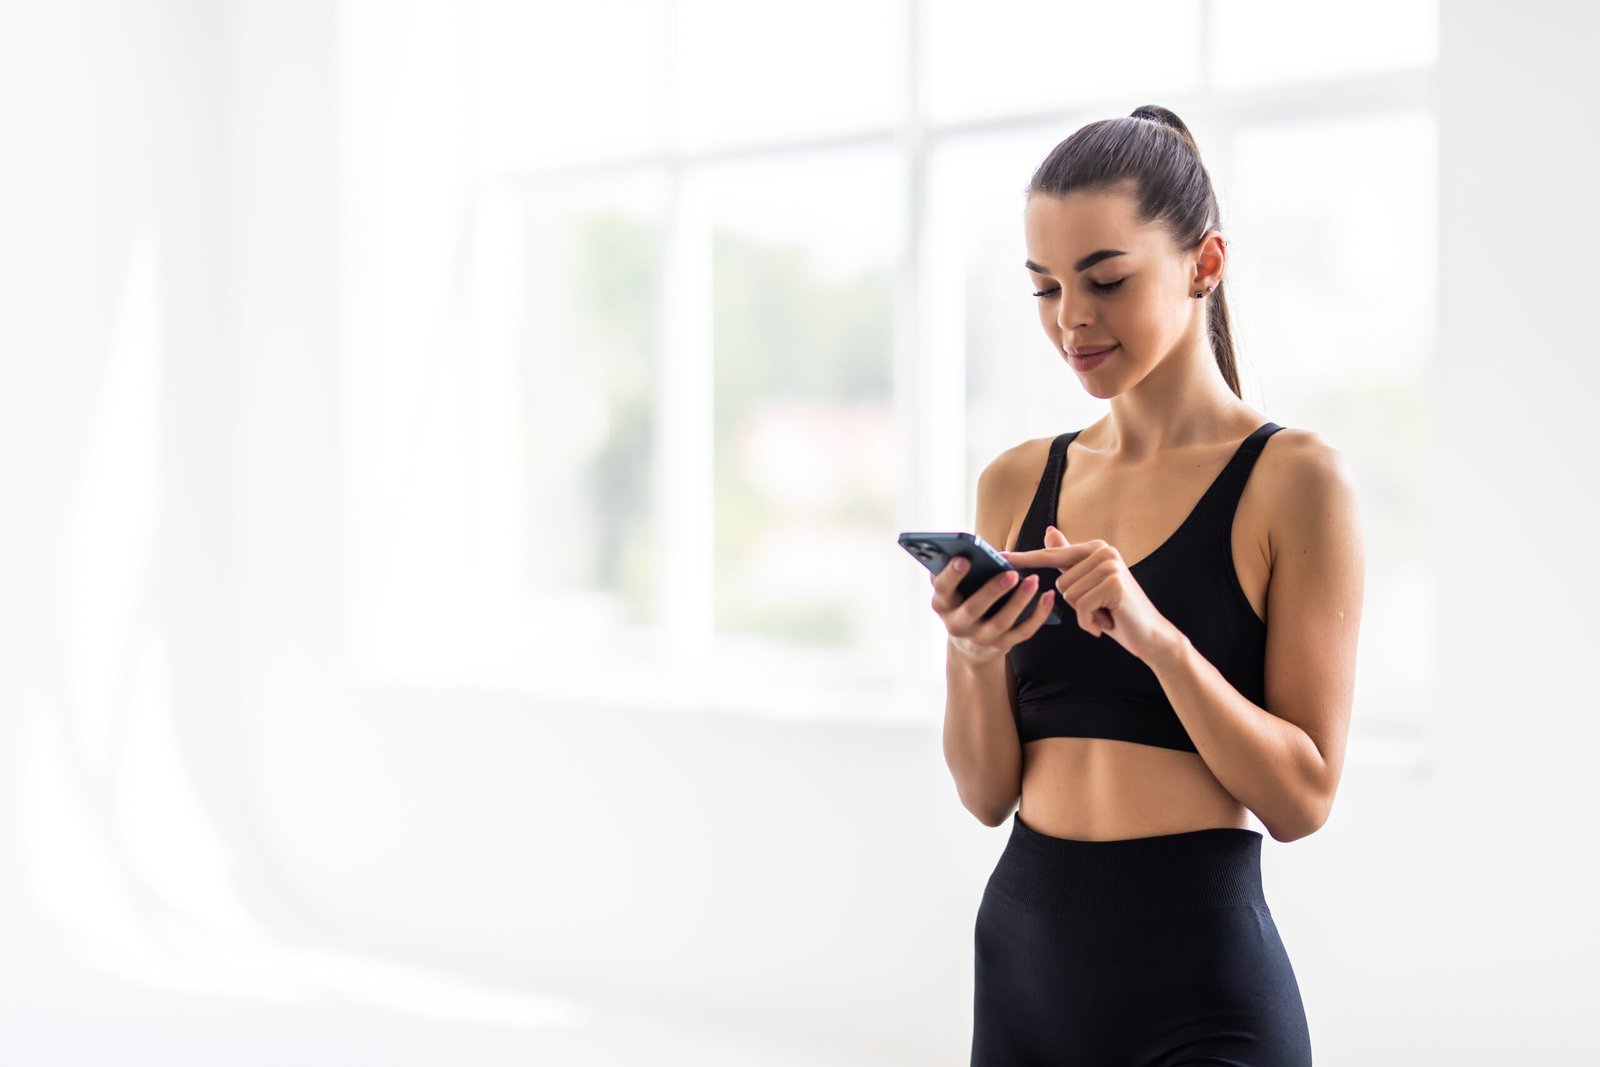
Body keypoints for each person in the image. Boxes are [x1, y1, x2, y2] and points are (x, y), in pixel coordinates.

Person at [930, 105, 1365, 1065]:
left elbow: (1303, 799)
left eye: (1107, 279)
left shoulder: (1296, 482)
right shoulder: (1016, 481)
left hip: (1201, 997)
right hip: (1023, 972)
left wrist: (1154, 635)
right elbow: (985, 793)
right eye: (1045, 287)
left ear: (1205, 264)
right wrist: (969, 653)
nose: (1070, 319)